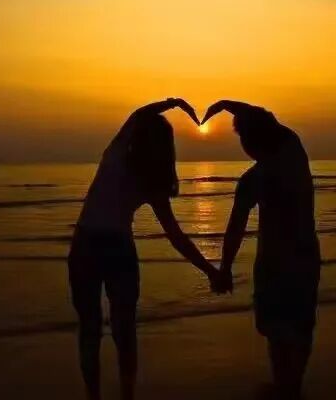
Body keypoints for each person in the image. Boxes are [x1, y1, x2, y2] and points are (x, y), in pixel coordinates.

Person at [68, 98, 222, 400]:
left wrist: (172, 103)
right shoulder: (150, 179)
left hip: (86, 245)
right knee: (124, 330)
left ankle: (93, 394)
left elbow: (138, 113)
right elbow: (176, 237)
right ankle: (127, 394)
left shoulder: (115, 154)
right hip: (118, 250)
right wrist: (210, 271)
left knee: (90, 329)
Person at [203, 100, 320, 399]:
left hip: (274, 264)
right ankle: (292, 385)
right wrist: (226, 104)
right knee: (301, 327)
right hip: (305, 256)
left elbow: (235, 228)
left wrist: (224, 270)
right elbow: (263, 118)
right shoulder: (294, 152)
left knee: (277, 332)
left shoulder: (253, 180)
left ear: (247, 143)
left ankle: (284, 384)